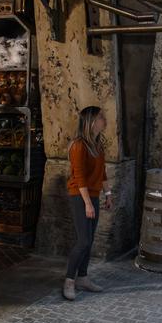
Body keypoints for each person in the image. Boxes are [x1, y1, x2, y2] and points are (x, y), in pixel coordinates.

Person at [63, 105, 111, 301]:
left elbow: (103, 172)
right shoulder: (78, 146)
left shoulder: (98, 145)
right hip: (80, 195)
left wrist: (108, 193)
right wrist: (87, 204)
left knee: (89, 240)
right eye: (101, 117)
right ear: (91, 122)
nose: (104, 120)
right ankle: (69, 281)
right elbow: (79, 176)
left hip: (93, 194)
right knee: (83, 240)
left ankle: (82, 277)